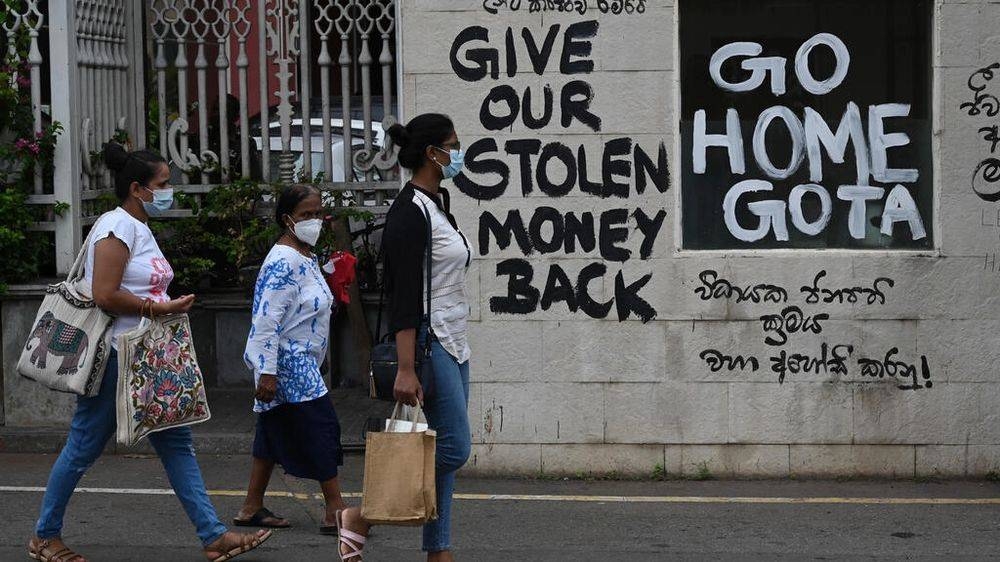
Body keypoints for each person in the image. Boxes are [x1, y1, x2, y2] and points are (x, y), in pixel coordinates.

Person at [27, 143, 271, 562]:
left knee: (177, 445)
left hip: (146, 357)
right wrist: (157, 308)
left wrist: (159, 308)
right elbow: (105, 294)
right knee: (83, 446)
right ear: (138, 188)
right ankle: (44, 537)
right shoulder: (116, 228)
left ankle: (213, 536)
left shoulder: (138, 226)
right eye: (162, 184)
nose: (168, 191)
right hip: (115, 357)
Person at [337, 113, 472, 562]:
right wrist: (408, 366)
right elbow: (403, 298)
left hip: (454, 340)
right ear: (433, 153)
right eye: (453, 144)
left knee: (439, 445)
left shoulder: (436, 203)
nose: (459, 152)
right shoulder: (409, 214)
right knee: (453, 447)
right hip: (430, 345)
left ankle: (438, 551)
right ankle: (362, 514)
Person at [235, 185, 347, 535]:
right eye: (305, 215)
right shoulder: (283, 262)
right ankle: (335, 510)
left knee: (271, 430)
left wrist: (320, 355)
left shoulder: (305, 256)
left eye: (318, 214)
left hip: (303, 360)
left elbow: (307, 314)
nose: (314, 221)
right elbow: (266, 322)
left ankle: (251, 506)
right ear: (287, 219)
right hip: (286, 362)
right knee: (322, 428)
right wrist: (267, 373)